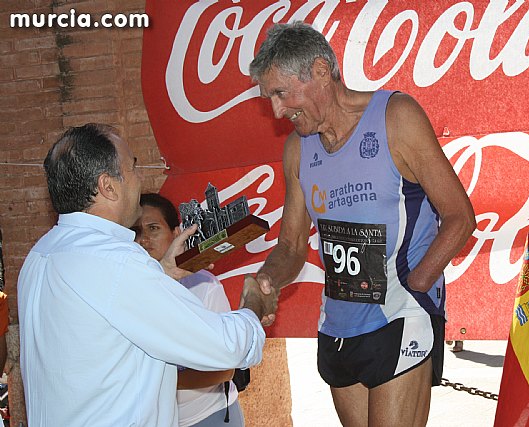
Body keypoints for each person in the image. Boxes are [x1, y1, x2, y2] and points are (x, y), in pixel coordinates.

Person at [245, 22, 476, 426]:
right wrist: (267, 280)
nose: (277, 111)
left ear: (320, 71)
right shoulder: (298, 147)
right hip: (338, 324)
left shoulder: (396, 117)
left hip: (401, 313)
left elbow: (460, 216)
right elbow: (292, 245)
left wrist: (416, 285)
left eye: (280, 93)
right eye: (270, 99)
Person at [17, 123, 275, 426]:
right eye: (133, 168)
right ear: (108, 186)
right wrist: (254, 305)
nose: (139, 181)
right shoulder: (117, 262)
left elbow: (99, 325)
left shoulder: (40, 255)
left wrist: (161, 273)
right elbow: (225, 347)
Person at [133, 193, 244, 427]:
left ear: (176, 233)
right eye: (135, 231)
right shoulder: (126, 291)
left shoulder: (204, 286)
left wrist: (162, 380)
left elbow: (225, 370)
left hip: (209, 416)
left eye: (153, 228)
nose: (143, 239)